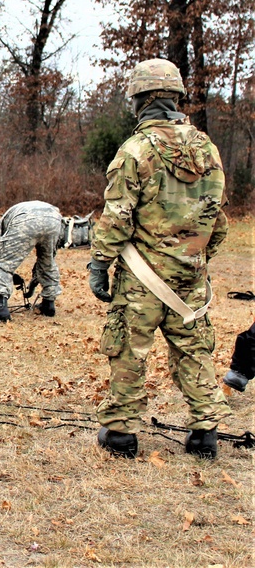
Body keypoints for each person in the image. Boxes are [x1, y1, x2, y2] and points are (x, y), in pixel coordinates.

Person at [89, 58, 230, 460]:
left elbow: (117, 216)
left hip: (142, 278)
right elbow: (217, 219)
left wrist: (99, 264)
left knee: (128, 349)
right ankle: (205, 434)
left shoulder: (136, 150)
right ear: (175, 98)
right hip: (189, 277)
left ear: (140, 100)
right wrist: (195, 259)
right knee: (194, 350)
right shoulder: (208, 151)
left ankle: (120, 435)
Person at [0, 200, 63, 322]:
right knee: (47, 261)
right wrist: (30, 282)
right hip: (54, 218)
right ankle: (48, 304)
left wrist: (7, 274)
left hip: (26, 220)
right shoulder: (12, 215)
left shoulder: (0, 226)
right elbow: (44, 262)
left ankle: (0, 307)